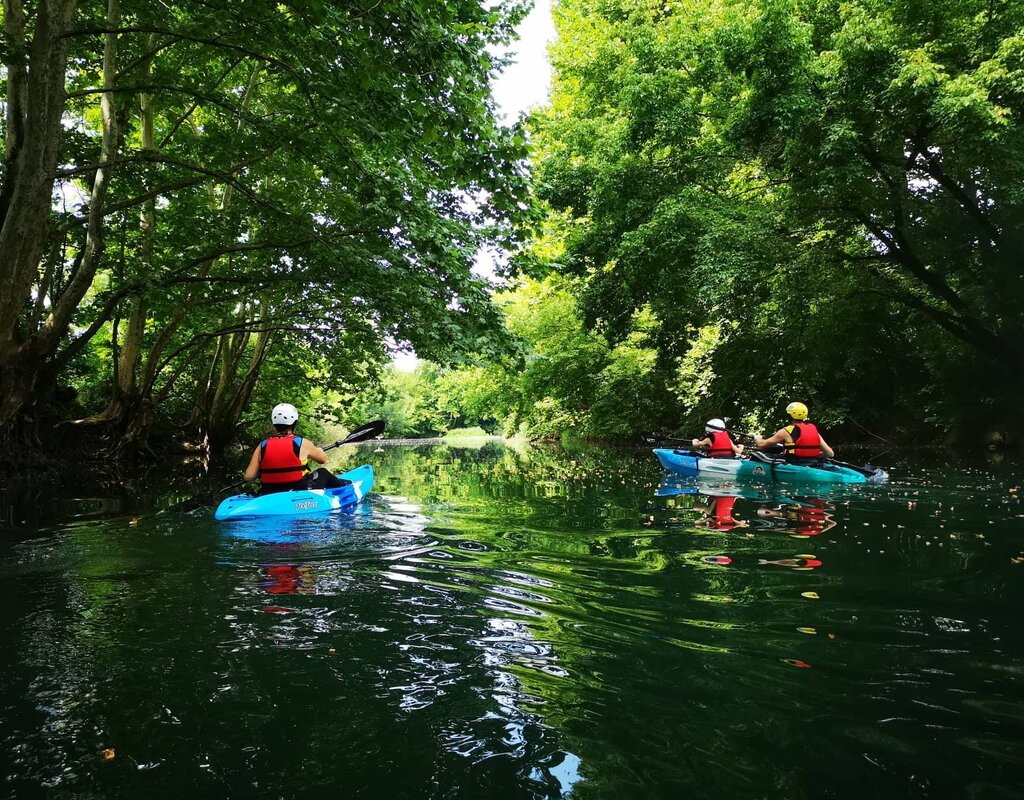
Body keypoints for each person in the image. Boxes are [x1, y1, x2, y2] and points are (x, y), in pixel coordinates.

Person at [242, 403, 346, 495]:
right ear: (294, 422)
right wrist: (319, 450)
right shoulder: (302, 442)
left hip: (269, 492)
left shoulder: (263, 445)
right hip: (299, 490)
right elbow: (323, 459)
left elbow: (249, 477)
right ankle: (345, 488)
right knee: (322, 472)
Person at [753, 402, 834, 464]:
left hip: (794, 463)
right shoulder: (814, 431)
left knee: (756, 455)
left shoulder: (785, 431)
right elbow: (830, 453)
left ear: (790, 416)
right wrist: (811, 454)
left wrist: (758, 438)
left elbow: (762, 445)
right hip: (813, 463)